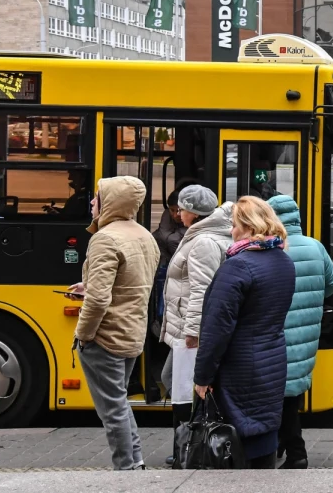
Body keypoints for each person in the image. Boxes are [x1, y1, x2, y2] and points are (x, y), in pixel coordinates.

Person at [194, 196, 295, 469]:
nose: (231, 231)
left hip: (238, 367)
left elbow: (217, 328)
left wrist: (202, 376)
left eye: (235, 224)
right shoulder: (283, 260)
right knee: (264, 437)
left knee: (236, 446)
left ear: (250, 227)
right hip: (271, 362)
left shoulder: (238, 265)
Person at [67, 176, 160, 471]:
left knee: (112, 409)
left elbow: (98, 302)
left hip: (106, 336)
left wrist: (83, 335)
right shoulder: (144, 235)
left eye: (98, 196)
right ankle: (136, 461)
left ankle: (126, 470)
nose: (93, 202)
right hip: (131, 333)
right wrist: (89, 285)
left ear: (112, 201)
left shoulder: (105, 238)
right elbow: (131, 283)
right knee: (119, 402)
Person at [159, 185, 232, 466]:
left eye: (181, 208)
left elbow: (201, 290)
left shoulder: (203, 242)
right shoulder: (204, 235)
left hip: (191, 331)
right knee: (174, 381)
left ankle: (190, 448)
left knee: (183, 389)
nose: (178, 213)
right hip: (185, 327)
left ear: (192, 211)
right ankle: (189, 444)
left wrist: (192, 332)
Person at [268, 194, 333, 470]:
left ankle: (296, 453)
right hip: (308, 331)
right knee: (292, 392)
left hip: (279, 331)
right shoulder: (315, 246)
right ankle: (282, 443)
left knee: (280, 395)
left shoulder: (274, 248)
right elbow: (331, 285)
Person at [144, 191, 186, 404]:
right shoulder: (167, 220)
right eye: (172, 211)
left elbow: (168, 241)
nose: (176, 215)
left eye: (179, 210)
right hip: (165, 276)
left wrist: (168, 239)